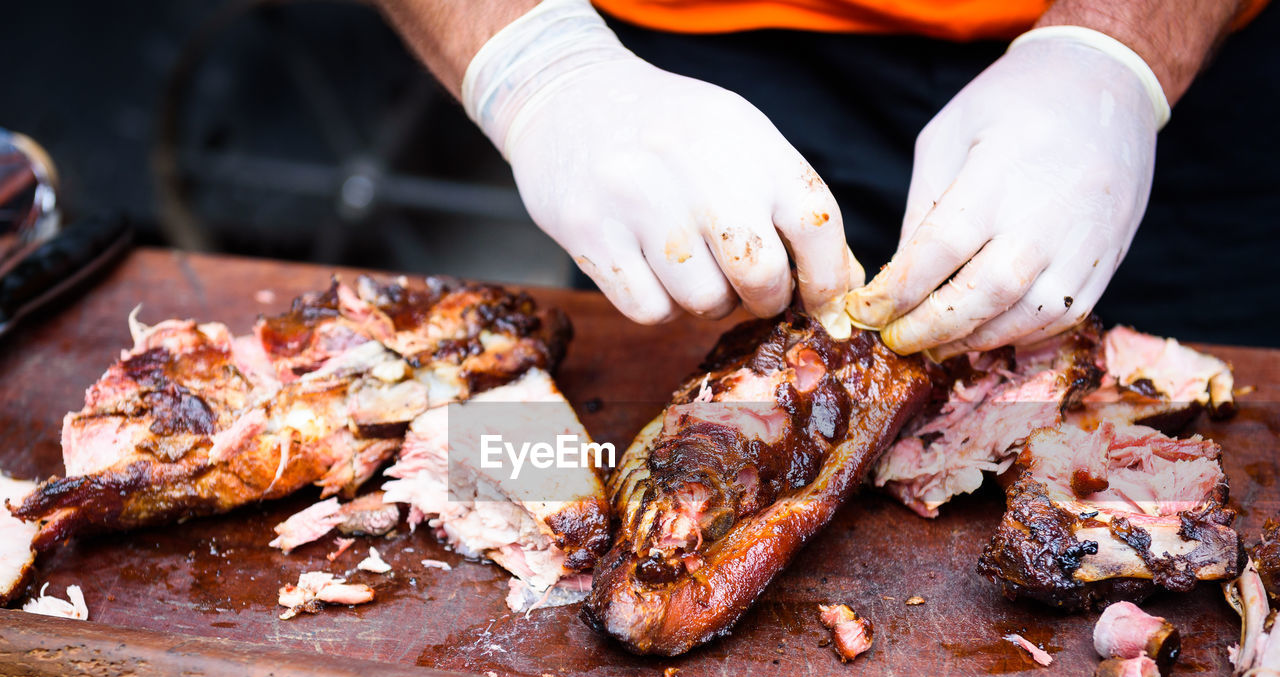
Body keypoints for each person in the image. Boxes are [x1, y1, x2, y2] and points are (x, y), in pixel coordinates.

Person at [374, 0, 1276, 351]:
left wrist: (1120, 52)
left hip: (1176, 91)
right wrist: (537, 69)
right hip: (681, 79)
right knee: (639, 448)